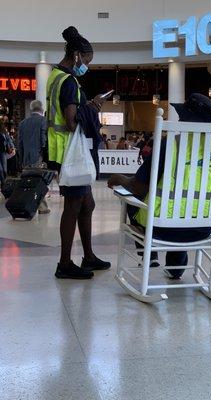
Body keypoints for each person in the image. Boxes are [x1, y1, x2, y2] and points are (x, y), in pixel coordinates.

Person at [108, 93, 211, 279]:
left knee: (135, 200)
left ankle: (148, 254)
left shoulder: (168, 144)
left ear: (186, 119)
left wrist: (118, 178)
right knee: (182, 208)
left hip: (162, 228)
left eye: (181, 115)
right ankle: (175, 266)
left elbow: (138, 187)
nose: (178, 118)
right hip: (204, 227)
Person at [47, 26, 111, 279]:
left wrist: (86, 105)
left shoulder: (54, 75)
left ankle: (88, 256)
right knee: (74, 205)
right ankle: (64, 263)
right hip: (70, 152)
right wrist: (93, 107)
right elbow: (72, 121)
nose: (87, 65)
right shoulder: (70, 81)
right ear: (76, 55)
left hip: (59, 148)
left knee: (87, 203)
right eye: (86, 60)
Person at [18, 100, 50, 214]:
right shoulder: (43, 121)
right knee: (39, 182)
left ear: (31, 110)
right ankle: (42, 207)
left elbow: (20, 144)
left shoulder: (22, 123)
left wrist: (21, 159)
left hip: (26, 158)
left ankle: (26, 205)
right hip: (38, 157)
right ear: (41, 109)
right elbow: (43, 140)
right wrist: (45, 156)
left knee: (28, 182)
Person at [0, 120, 14, 190]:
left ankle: (4, 182)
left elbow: (8, 140)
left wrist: (12, 147)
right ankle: (3, 184)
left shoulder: (4, 132)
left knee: (5, 170)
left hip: (3, 152)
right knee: (0, 170)